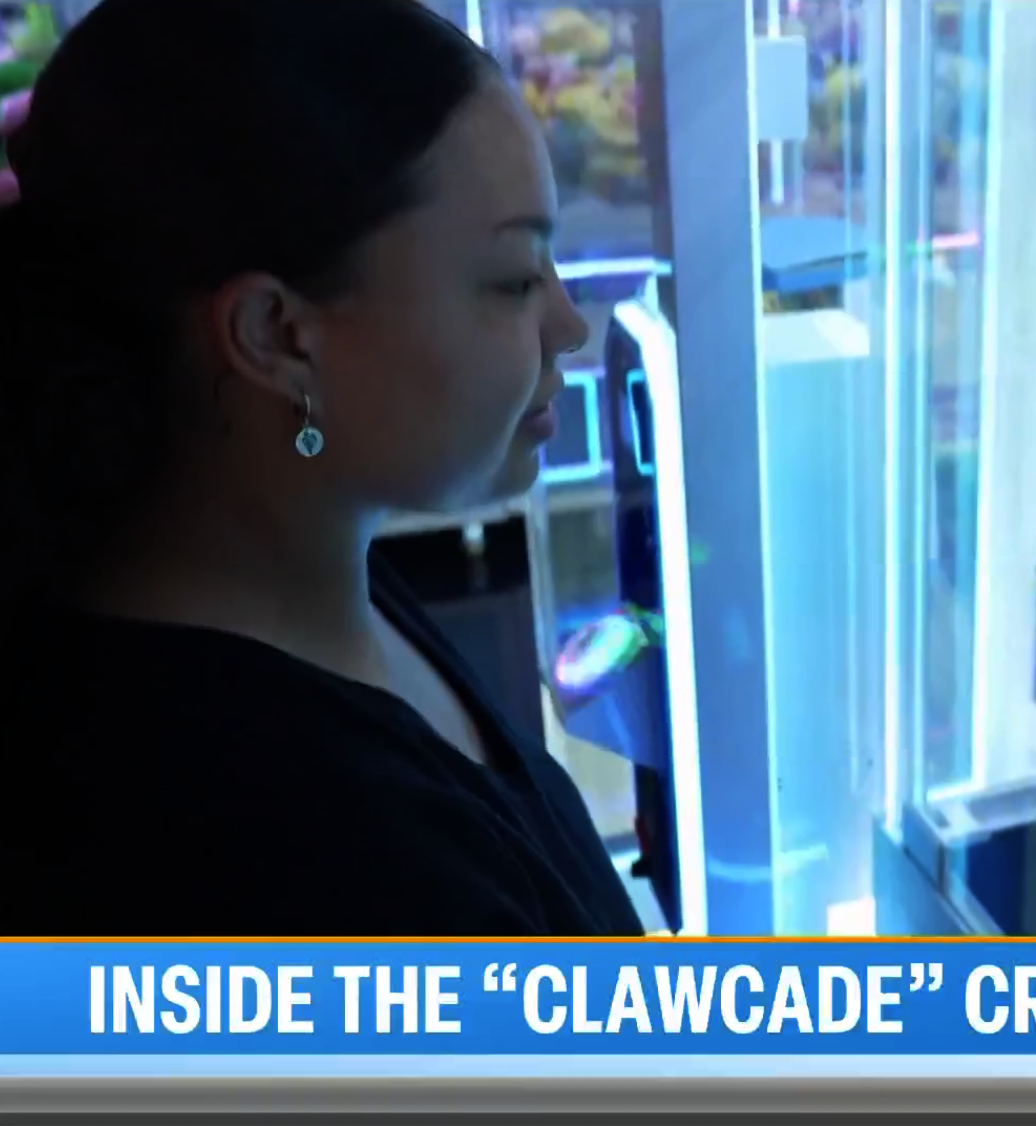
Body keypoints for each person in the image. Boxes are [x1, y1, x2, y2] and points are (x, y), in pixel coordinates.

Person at [0, 0, 646, 937]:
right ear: (277, 336)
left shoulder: (314, 572)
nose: (569, 328)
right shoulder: (289, 861)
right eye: (512, 280)